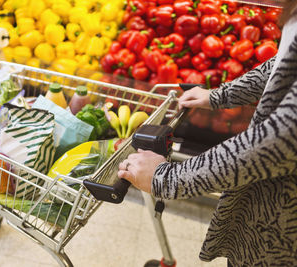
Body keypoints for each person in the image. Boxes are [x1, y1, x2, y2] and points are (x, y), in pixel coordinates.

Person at [118, 1, 297, 266]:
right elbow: (283, 65)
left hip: (285, 220)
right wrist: (221, 95)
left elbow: (280, 139)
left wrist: (169, 178)